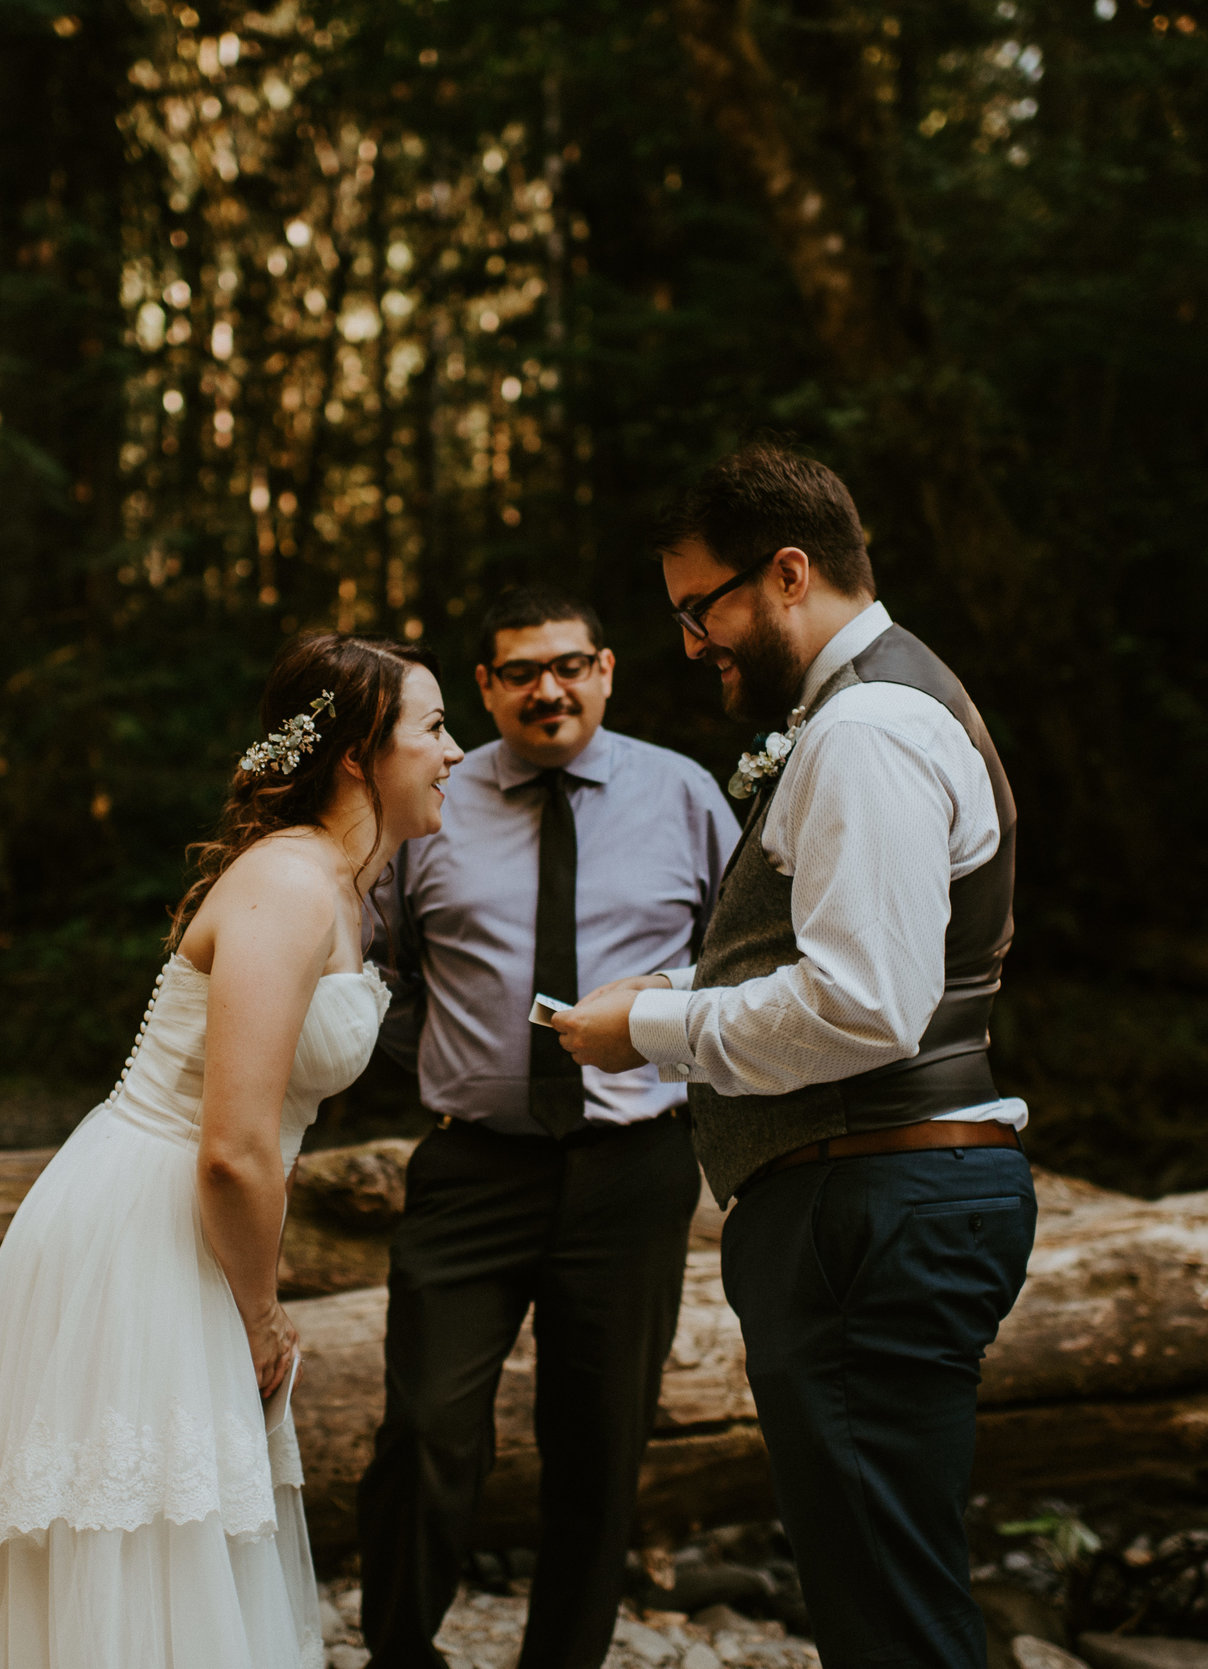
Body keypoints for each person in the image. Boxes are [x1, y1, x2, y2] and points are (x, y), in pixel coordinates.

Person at [0, 633, 465, 1669]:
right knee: (141, 1527)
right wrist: (259, 1314)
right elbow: (233, 1149)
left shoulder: (342, 884)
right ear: (358, 754)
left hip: (186, 1218)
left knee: (171, 1529)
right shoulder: (287, 885)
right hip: (149, 1223)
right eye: (432, 727)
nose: (454, 751)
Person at [553, 443, 1035, 1669]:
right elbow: (841, 959)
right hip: (871, 1192)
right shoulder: (868, 708)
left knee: (889, 1614)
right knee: (883, 1589)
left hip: (867, 1199)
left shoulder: (866, 727)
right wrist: (671, 985)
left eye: (698, 607)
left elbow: (865, 1005)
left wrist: (652, 1032)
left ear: (784, 573)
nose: (690, 643)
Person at [356, 586, 739, 1669]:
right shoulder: (433, 801)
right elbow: (371, 961)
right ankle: (397, 1655)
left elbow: (751, 957)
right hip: (472, 1162)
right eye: (519, 671)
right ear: (484, 689)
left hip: (634, 1165)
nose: (547, 688)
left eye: (567, 664)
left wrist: (668, 1027)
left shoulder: (685, 796)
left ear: (607, 670)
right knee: (426, 1426)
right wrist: (437, 1059)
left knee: (599, 1445)